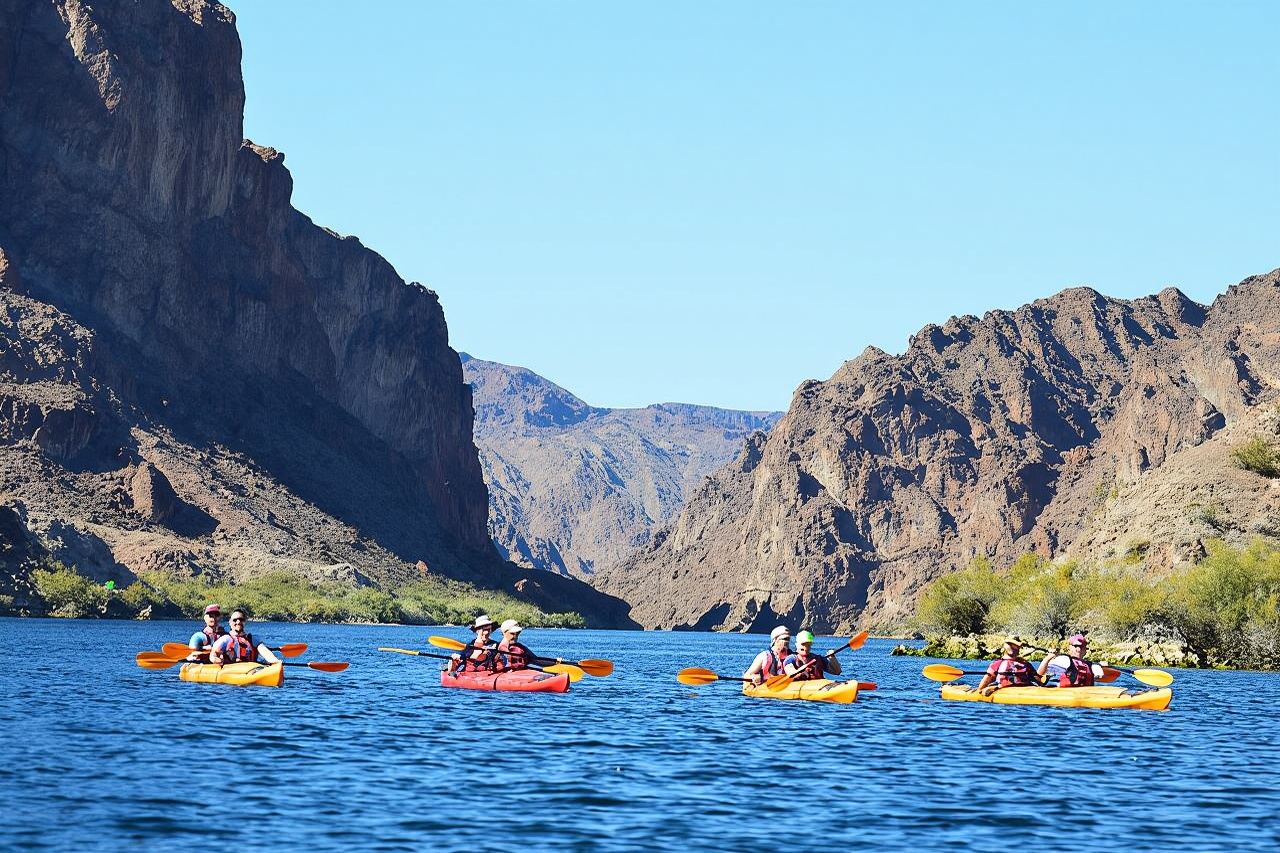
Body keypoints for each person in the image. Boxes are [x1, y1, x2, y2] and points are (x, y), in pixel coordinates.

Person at [207, 609, 281, 665]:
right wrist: (218, 660)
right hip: (231, 672)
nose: (238, 622)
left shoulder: (252, 639)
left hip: (251, 672)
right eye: (235, 620)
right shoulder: (225, 639)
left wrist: (275, 662)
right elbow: (212, 655)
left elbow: (265, 652)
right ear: (230, 622)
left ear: (245, 622)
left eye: (241, 619)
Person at [975, 636, 1040, 695]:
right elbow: (981, 687)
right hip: (1004, 690)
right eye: (1010, 645)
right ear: (1005, 646)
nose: (1013, 648)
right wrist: (981, 690)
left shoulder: (1025, 664)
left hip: (1027, 690)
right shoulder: (997, 664)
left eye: (1016, 646)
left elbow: (1039, 680)